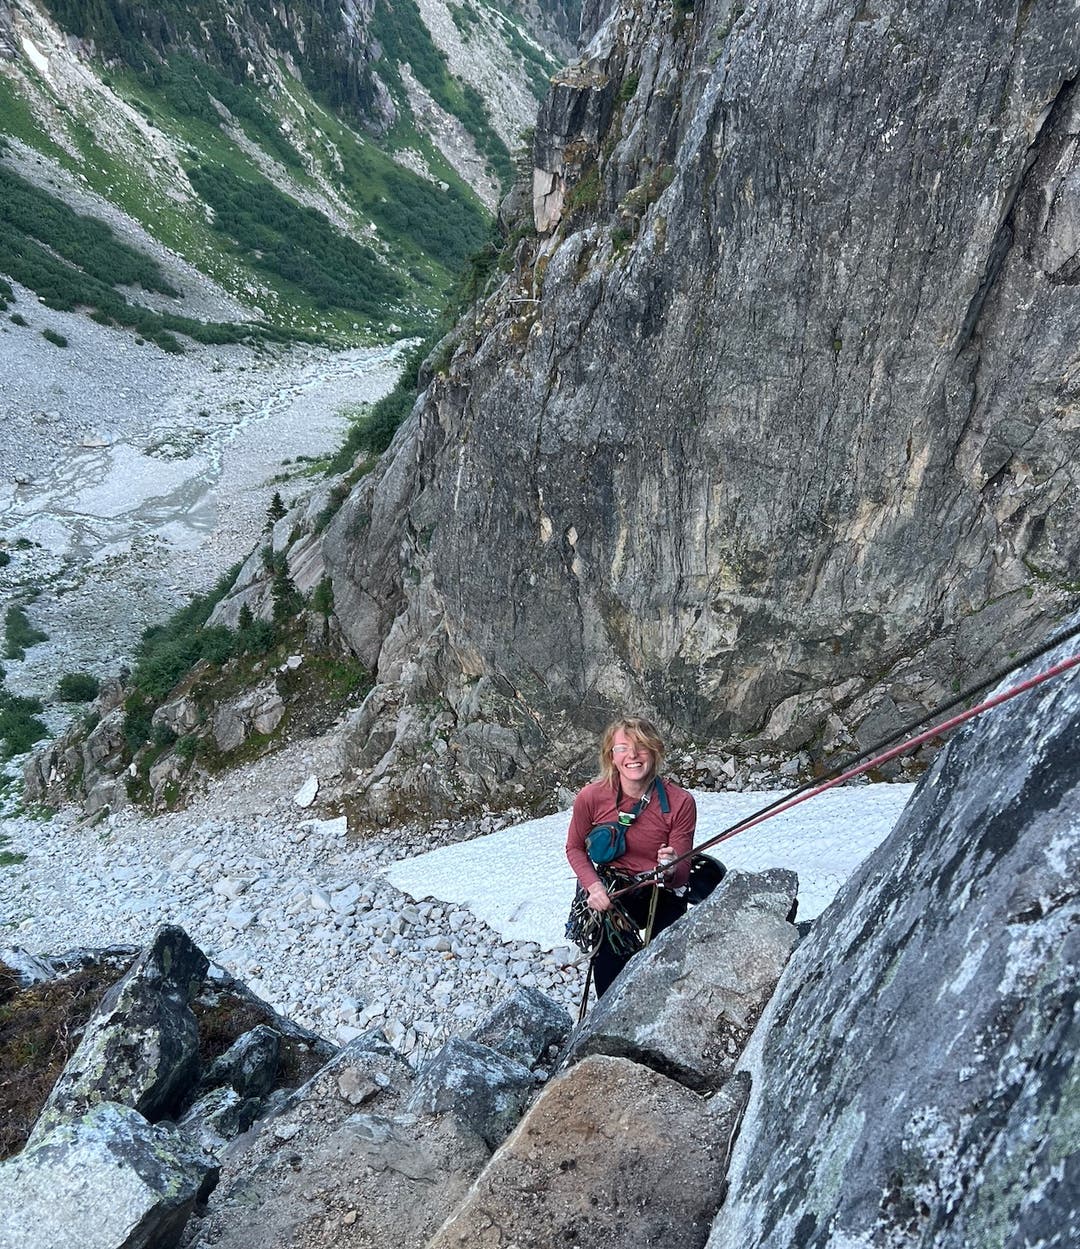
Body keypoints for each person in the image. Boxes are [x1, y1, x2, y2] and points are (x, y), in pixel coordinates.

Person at [565, 716, 696, 997]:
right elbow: (575, 847)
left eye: (641, 747)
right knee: (609, 975)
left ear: (655, 751)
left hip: (661, 891)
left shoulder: (680, 802)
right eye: (623, 748)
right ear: (611, 757)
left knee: (665, 975)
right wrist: (593, 886)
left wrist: (670, 868)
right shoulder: (591, 797)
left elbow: (682, 873)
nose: (633, 756)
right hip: (613, 891)